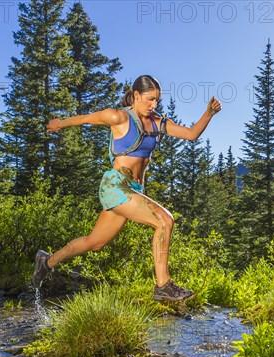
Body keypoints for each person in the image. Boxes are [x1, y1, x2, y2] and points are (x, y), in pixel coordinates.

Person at [32, 75, 222, 301]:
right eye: (150, 99)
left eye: (157, 101)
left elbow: (191, 135)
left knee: (95, 242)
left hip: (132, 190)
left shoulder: (158, 122)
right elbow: (86, 119)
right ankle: (163, 285)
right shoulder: (119, 117)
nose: (153, 105)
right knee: (164, 220)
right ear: (136, 96)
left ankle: (47, 261)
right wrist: (59, 123)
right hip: (115, 185)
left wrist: (208, 114)